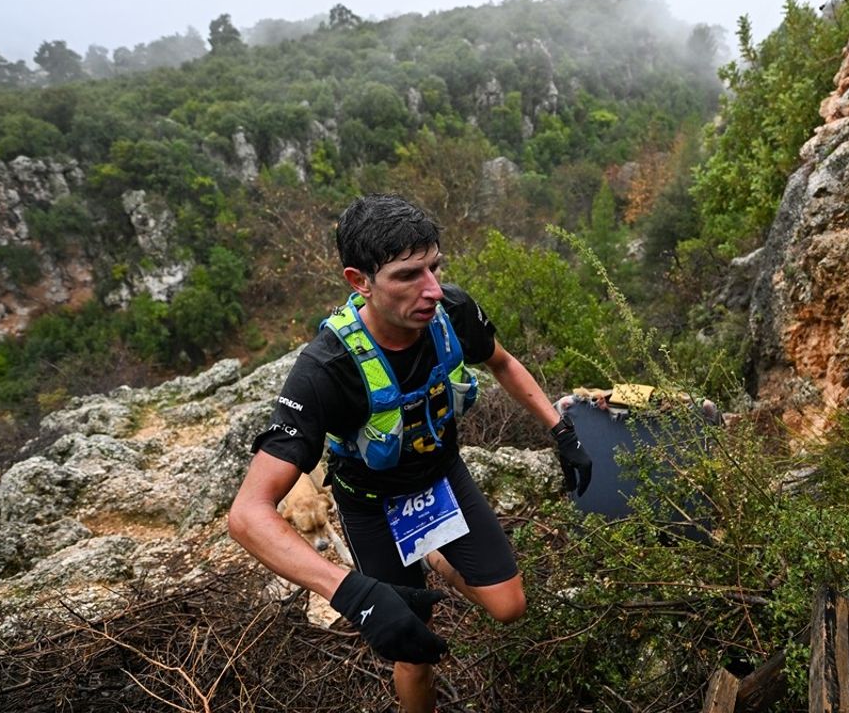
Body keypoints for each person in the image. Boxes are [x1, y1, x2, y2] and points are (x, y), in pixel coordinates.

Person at [228, 194, 593, 712]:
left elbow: (503, 362)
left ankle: (432, 548)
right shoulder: (325, 370)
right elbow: (246, 515)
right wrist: (353, 593)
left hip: (442, 476)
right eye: (407, 276)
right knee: (413, 649)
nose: (431, 290)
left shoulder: (451, 311)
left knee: (510, 607)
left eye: (434, 267)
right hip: (371, 504)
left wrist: (562, 431)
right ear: (360, 281)